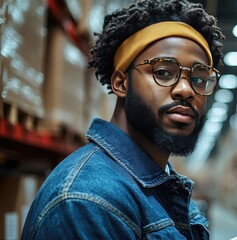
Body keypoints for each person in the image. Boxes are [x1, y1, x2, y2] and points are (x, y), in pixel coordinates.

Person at [22, 0, 224, 239]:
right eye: (163, 73)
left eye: (199, 79)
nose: (186, 90)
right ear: (121, 83)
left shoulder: (162, 184)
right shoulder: (87, 201)